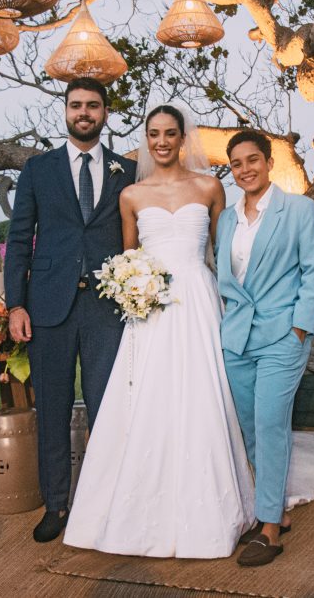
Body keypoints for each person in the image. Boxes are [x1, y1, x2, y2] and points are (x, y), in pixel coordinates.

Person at [63, 103, 256, 558]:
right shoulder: (131, 195)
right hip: (150, 309)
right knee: (148, 397)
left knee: (201, 395)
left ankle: (211, 509)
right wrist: (132, 287)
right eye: (154, 134)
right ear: (146, 139)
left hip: (198, 302)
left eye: (170, 133)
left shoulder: (209, 187)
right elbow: (129, 258)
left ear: (183, 138)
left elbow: (223, 252)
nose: (162, 142)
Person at [4, 77, 137, 543]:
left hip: (107, 310)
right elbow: (19, 238)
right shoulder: (38, 169)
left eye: (93, 105)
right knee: (52, 410)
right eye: (76, 105)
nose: (84, 112)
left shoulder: (127, 171)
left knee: (109, 411)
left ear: (105, 113)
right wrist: (16, 305)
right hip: (47, 308)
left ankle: (108, 506)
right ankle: (56, 505)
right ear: (65, 110)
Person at [216, 130, 314, 567]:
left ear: (268, 162)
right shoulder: (227, 219)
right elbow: (226, 279)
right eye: (236, 164)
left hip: (283, 336)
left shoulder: (298, 209)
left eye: (252, 160)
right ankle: (273, 508)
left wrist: (300, 329)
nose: (245, 169)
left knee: (270, 424)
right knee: (249, 426)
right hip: (237, 339)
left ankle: (269, 531)